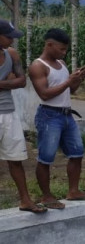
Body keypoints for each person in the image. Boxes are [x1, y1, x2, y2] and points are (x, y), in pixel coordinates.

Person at [28, 28, 85, 209]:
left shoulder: (62, 63)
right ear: (49, 45)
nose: (63, 53)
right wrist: (68, 81)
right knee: (46, 157)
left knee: (77, 152)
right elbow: (44, 94)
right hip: (49, 115)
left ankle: (73, 191)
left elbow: (70, 91)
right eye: (61, 49)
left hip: (66, 114)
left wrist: (77, 80)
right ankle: (46, 196)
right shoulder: (38, 66)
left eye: (65, 50)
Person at [0, 20, 47, 213]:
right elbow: (15, 80)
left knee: (16, 159)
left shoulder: (11, 54)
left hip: (9, 113)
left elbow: (22, 81)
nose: (12, 40)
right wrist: (8, 80)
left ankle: (26, 201)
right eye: (8, 36)